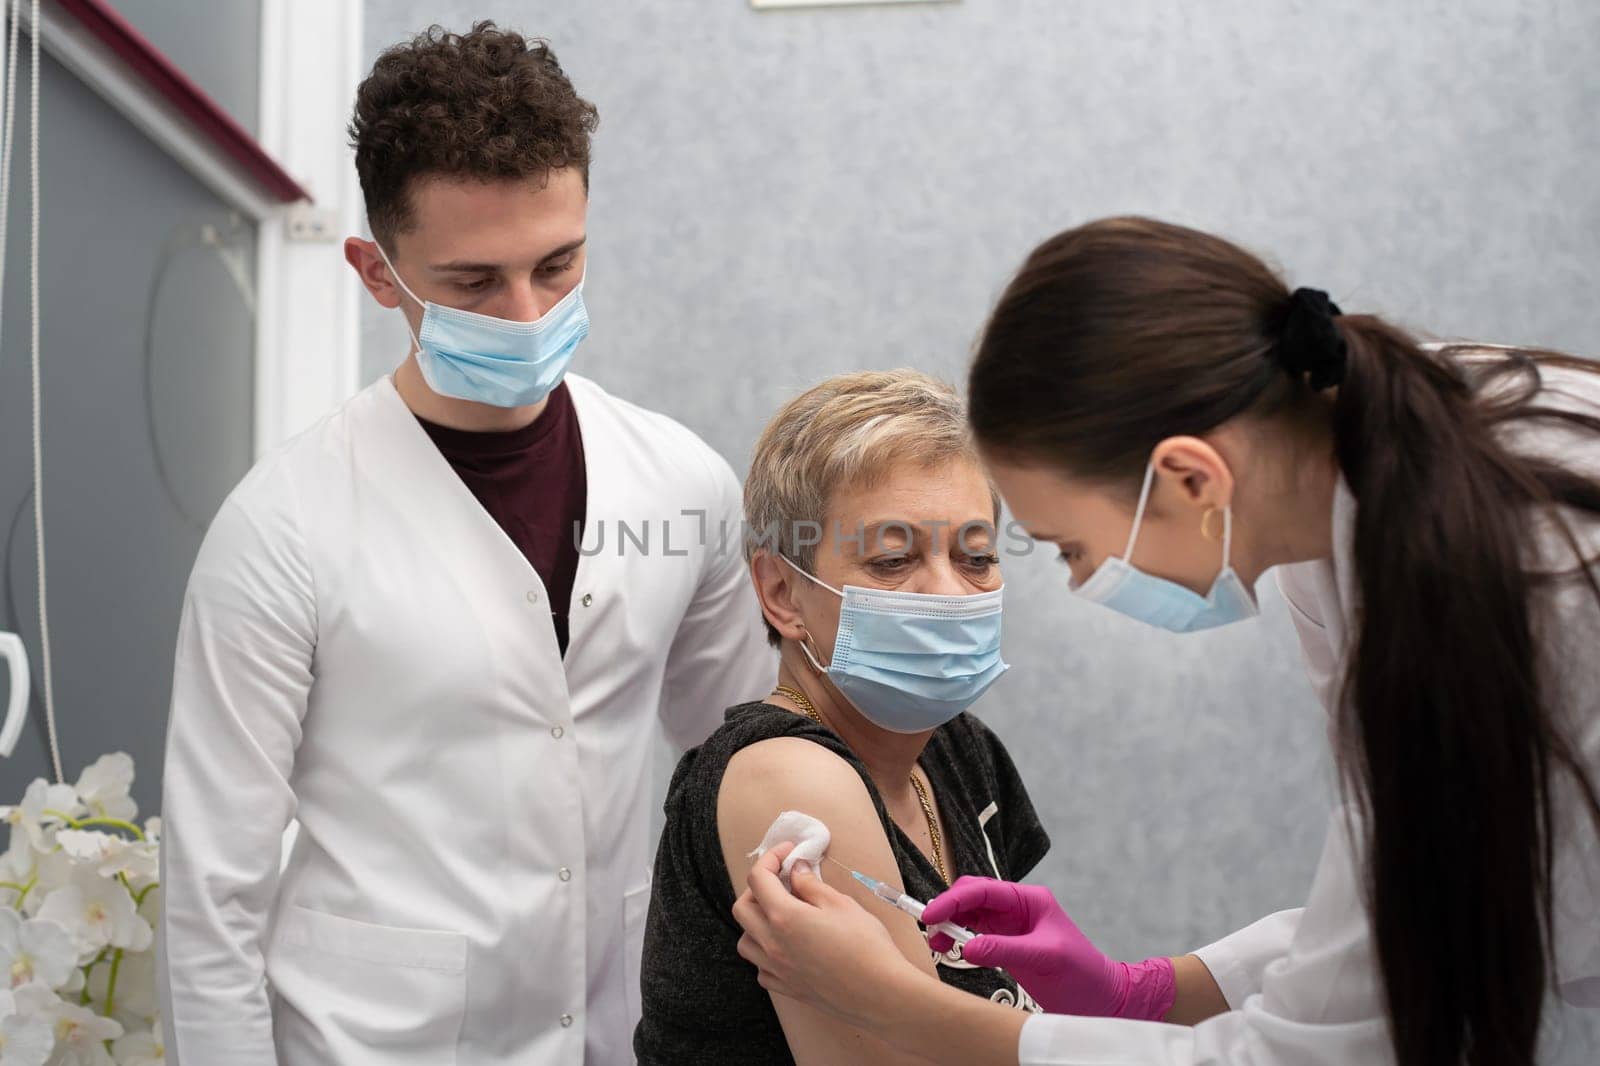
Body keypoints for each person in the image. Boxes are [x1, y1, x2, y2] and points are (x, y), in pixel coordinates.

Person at [732, 217, 1600, 1065]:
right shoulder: (1366, 502)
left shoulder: (1492, 584)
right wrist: (1141, 991)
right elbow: (1401, 908)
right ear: (781, 590)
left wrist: (896, 1006)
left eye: (1063, 548)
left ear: (1190, 479)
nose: (1073, 581)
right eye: (892, 560)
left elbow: (1318, 1038)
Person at [158, 23, 773, 1066]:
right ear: (376, 270)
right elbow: (213, 888)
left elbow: (750, 763)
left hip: (626, 1027)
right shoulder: (280, 528)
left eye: (557, 263)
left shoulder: (681, 480)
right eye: (474, 282)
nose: (527, 314)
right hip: (375, 1042)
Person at [633, 370, 1051, 1064]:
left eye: (976, 556)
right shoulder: (789, 781)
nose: (948, 593)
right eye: (893, 560)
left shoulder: (959, 751)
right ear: (781, 592)